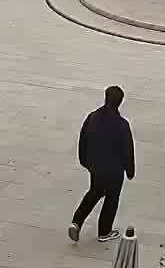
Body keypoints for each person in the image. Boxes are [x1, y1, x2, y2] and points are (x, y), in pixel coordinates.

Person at [68, 85, 134, 244]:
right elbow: (128, 150)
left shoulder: (92, 117)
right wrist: (130, 170)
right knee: (112, 198)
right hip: (114, 169)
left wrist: (84, 160)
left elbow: (83, 139)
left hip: (95, 165)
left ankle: (76, 221)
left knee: (95, 191)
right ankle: (104, 231)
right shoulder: (122, 124)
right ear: (120, 102)